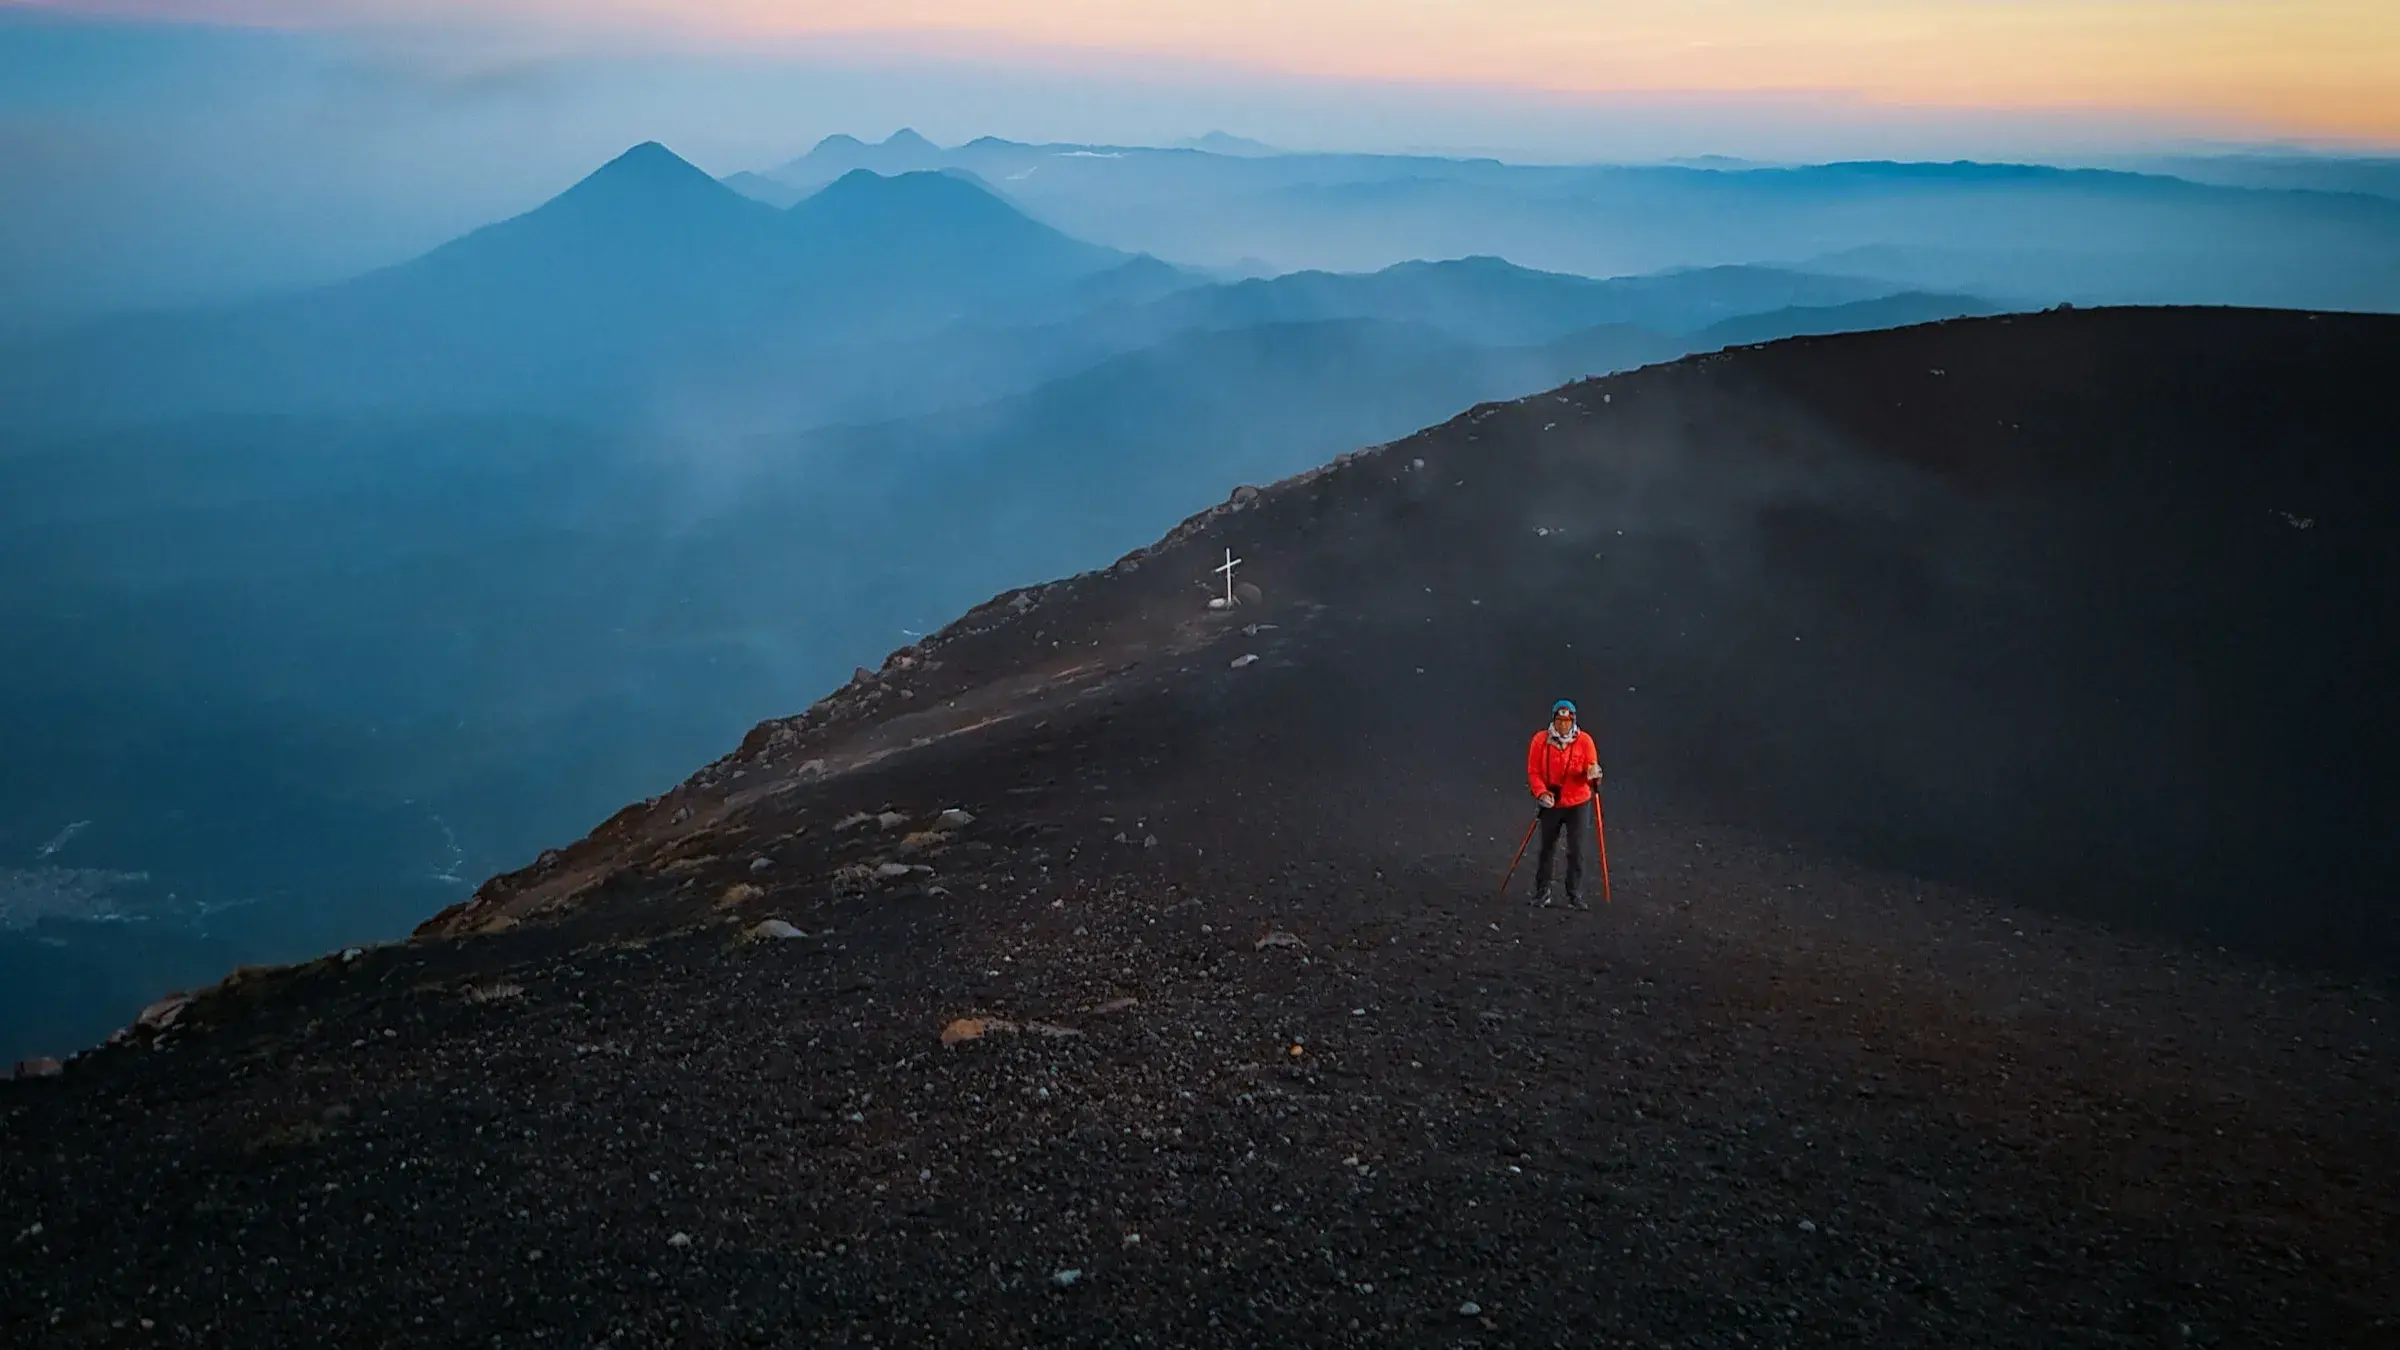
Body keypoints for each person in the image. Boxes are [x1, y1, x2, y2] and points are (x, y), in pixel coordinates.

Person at [1525, 699, 1602, 908]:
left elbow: (1592, 771)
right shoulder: (1540, 741)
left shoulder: (1585, 741)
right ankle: (1542, 892)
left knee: (1576, 849)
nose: (1563, 725)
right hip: (1551, 803)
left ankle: (1574, 894)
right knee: (1547, 848)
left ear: (1573, 721)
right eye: (1559, 720)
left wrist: (1593, 775)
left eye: (1567, 721)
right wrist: (1541, 793)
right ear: (1553, 720)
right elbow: (1534, 771)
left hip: (1578, 802)